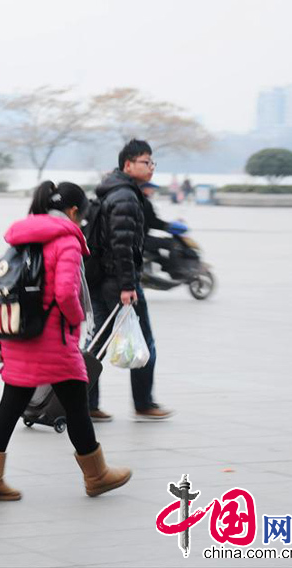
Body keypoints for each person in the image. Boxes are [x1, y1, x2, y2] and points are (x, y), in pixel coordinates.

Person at [0, 181, 132, 502]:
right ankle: (97, 475)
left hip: (20, 333)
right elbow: (65, 293)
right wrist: (75, 320)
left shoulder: (23, 235)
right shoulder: (66, 241)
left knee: (10, 404)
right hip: (53, 339)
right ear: (74, 211)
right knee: (76, 405)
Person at [87, 139, 173, 422]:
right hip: (118, 280)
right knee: (144, 339)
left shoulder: (110, 189)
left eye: (152, 163)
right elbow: (122, 244)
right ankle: (144, 402)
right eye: (146, 162)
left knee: (96, 342)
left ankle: (86, 403)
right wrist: (127, 286)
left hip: (99, 278)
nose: (151, 168)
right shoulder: (125, 196)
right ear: (128, 164)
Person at [141, 182, 187, 275]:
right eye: (151, 188)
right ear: (144, 188)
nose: (153, 191)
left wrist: (167, 225)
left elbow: (150, 221)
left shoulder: (138, 200)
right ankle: (176, 271)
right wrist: (167, 226)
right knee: (173, 244)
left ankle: (164, 267)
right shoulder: (144, 202)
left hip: (139, 238)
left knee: (157, 252)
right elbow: (153, 222)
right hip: (142, 239)